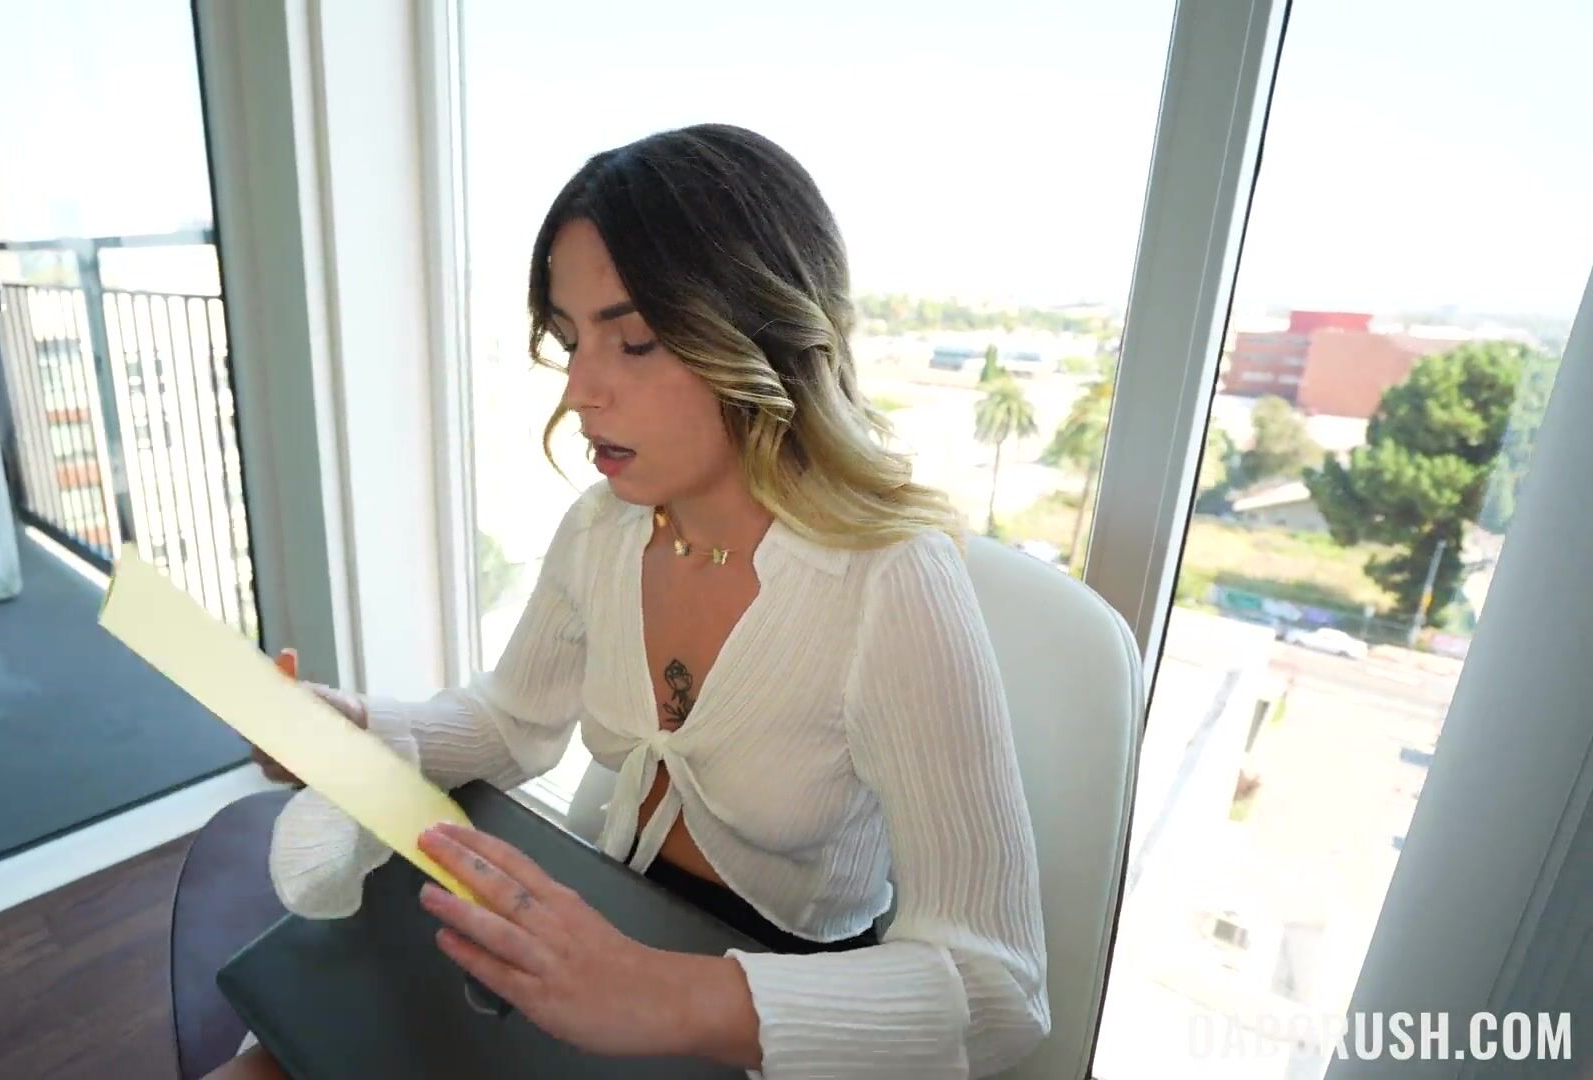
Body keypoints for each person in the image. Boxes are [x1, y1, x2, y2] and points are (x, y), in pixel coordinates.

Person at [240, 123, 1046, 1078]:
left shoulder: (890, 583)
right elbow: (512, 724)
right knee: (281, 1049)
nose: (580, 391)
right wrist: (355, 728)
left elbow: (999, 987)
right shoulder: (605, 527)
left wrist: (656, 993)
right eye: (568, 341)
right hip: (600, 918)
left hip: (771, 1017)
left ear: (760, 334)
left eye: (634, 341)